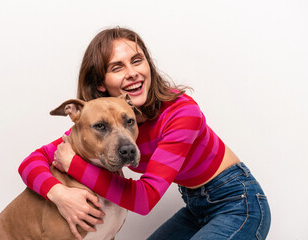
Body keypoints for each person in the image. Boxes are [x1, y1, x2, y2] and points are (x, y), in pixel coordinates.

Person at [18, 27, 271, 239]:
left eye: (137, 61)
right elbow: (30, 163)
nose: (132, 72)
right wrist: (59, 193)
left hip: (238, 203)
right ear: (101, 84)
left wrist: (73, 164)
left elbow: (145, 200)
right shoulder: (110, 116)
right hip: (196, 206)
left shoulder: (183, 113)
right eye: (117, 67)